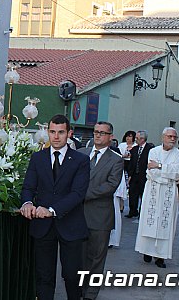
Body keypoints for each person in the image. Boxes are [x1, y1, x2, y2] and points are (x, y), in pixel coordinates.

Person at [20, 114, 90, 300]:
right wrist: (27, 203)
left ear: (69, 134)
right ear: (48, 133)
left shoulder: (81, 160)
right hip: (42, 229)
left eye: (60, 132)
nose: (56, 136)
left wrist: (51, 210)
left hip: (71, 226)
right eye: (52, 132)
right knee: (44, 276)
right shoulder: (37, 158)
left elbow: (77, 194)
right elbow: (28, 187)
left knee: (72, 277)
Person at [77, 122, 124, 300]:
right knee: (79, 257)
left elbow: (110, 186)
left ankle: (90, 294)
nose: (98, 135)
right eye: (96, 132)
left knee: (96, 258)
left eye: (102, 133)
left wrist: (81, 194)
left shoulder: (116, 159)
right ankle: (79, 289)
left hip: (100, 216)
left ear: (110, 137)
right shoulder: (82, 153)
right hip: (78, 215)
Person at [135, 127, 179, 268]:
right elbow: (151, 172)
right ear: (163, 137)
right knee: (149, 220)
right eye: (169, 136)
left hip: (169, 192)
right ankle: (147, 251)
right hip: (153, 190)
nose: (172, 139)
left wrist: (160, 166)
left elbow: (178, 173)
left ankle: (160, 256)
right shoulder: (154, 151)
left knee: (166, 223)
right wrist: (167, 174)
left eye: (174, 137)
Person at [126, 130, 152, 218]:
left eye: (137, 138)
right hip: (134, 175)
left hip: (144, 176)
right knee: (132, 194)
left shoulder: (150, 149)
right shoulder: (134, 149)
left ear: (142, 139)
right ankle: (132, 211)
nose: (135, 140)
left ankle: (142, 212)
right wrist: (129, 175)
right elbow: (131, 163)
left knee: (144, 195)